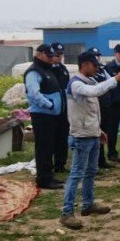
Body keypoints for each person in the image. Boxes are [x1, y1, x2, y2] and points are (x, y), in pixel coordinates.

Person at [60, 51, 120, 230]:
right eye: (93, 65)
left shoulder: (88, 81)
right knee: (76, 174)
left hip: (91, 134)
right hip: (81, 136)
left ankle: (88, 204)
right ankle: (66, 212)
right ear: (84, 65)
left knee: (90, 171)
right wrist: (116, 79)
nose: (96, 68)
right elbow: (96, 91)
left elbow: (92, 110)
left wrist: (98, 130)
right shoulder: (76, 84)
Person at [24, 44, 64, 189]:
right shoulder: (34, 72)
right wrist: (49, 104)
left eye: (52, 55)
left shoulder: (46, 69)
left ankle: (49, 174)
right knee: (43, 147)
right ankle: (43, 179)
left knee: (50, 146)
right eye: (48, 55)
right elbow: (34, 93)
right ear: (38, 54)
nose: (51, 58)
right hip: (42, 115)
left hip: (51, 115)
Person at [88, 47, 114, 170]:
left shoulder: (102, 71)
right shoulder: (87, 75)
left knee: (104, 133)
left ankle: (102, 160)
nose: (97, 58)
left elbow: (111, 83)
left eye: (98, 55)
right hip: (95, 107)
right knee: (95, 134)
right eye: (94, 56)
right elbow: (97, 87)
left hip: (106, 106)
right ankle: (95, 162)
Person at [49, 42, 70, 175]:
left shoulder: (63, 68)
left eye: (61, 54)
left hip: (63, 108)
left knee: (63, 137)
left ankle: (60, 163)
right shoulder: (47, 69)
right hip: (51, 109)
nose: (59, 57)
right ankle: (50, 164)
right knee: (51, 137)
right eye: (57, 54)